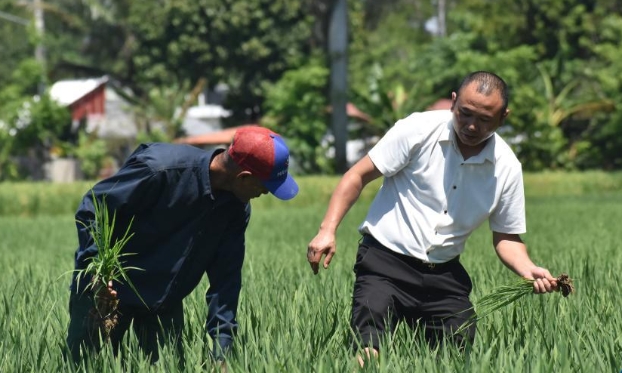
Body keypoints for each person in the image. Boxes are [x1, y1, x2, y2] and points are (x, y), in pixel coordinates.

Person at [307, 71, 558, 364]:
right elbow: (357, 176)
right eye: (465, 114)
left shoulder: (506, 168)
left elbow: (506, 236)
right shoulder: (417, 129)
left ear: (503, 117)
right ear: (453, 102)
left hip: (443, 274)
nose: (472, 126)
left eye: (485, 119)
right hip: (384, 264)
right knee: (368, 344)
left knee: (457, 350)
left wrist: (528, 269)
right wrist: (327, 229)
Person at [66, 126, 298, 366]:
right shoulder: (159, 170)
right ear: (244, 176)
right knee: (85, 366)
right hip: (105, 295)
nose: (266, 193)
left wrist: (222, 353)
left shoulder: (235, 209)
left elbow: (226, 281)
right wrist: (99, 273)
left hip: (162, 302)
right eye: (265, 186)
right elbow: (92, 208)